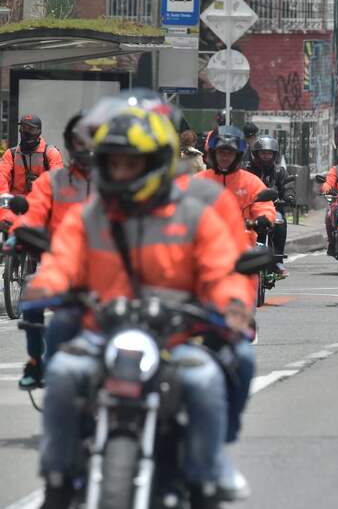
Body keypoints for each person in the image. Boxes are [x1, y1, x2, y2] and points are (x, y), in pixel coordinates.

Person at [27, 105, 252, 508]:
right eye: (114, 162)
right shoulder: (88, 215)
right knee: (61, 372)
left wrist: (232, 304)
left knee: (205, 382)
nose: (121, 171)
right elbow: (63, 259)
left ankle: (204, 477)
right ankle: (58, 478)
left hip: (175, 338)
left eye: (132, 162)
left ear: (154, 164)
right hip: (104, 334)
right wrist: (47, 285)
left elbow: (222, 271)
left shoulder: (193, 217)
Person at [13, 113, 92, 390]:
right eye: (80, 142)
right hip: (61, 262)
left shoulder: (118, 183)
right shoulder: (53, 182)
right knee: (32, 293)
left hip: (108, 269)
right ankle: (36, 361)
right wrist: (18, 231)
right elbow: (32, 212)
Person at [198, 125, 277, 246]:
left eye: (229, 153)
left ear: (237, 155)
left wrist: (264, 218)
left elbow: (263, 205)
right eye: (221, 152)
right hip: (205, 244)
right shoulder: (198, 181)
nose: (225, 156)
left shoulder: (251, 182)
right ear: (213, 153)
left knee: (264, 259)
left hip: (242, 246)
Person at [245, 135, 293, 276]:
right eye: (263, 153)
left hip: (273, 209)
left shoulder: (279, 171)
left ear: (274, 155)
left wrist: (289, 196)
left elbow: (287, 186)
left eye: (269, 153)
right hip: (250, 210)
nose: (266, 156)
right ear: (256, 154)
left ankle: (277, 260)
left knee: (280, 222)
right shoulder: (247, 171)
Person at [0, 114, 64, 198]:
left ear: (39, 131)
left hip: (42, 202)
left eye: (31, 129)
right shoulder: (11, 154)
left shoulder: (51, 153)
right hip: (15, 203)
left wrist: (41, 185)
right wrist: (4, 197)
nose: (26, 132)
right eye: (23, 128)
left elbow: (58, 182)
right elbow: (2, 178)